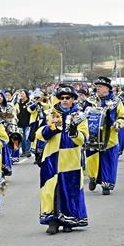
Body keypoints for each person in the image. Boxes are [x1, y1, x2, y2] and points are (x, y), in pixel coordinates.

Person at [38, 85, 88, 234]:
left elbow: (83, 139)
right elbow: (39, 134)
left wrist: (74, 133)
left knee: (70, 190)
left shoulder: (80, 116)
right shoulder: (50, 113)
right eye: (62, 98)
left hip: (71, 159)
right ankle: (52, 221)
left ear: (73, 99)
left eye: (68, 98)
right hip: (51, 157)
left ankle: (69, 220)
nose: (65, 100)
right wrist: (51, 128)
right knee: (50, 189)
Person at [84, 76, 124, 196]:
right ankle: (93, 178)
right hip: (92, 136)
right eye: (96, 86)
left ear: (107, 88)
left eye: (100, 86)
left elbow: (123, 116)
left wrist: (118, 123)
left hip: (109, 137)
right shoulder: (90, 100)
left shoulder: (116, 102)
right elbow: (82, 114)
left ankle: (106, 185)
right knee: (92, 159)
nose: (97, 88)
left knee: (108, 161)